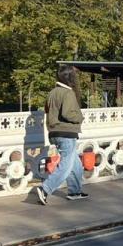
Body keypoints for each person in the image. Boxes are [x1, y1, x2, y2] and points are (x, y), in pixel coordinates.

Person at [35, 66, 88, 204]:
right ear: (70, 77)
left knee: (75, 163)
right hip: (66, 132)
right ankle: (45, 189)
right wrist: (80, 118)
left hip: (55, 132)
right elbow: (67, 113)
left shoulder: (52, 93)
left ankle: (75, 192)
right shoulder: (68, 93)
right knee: (66, 165)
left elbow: (48, 110)